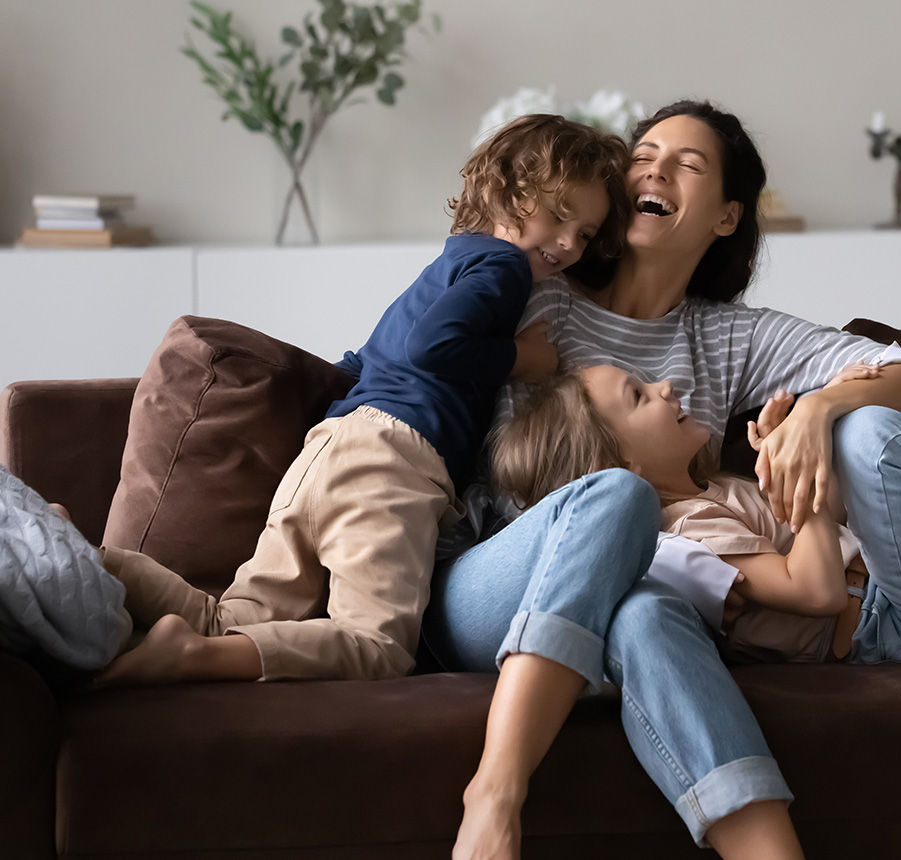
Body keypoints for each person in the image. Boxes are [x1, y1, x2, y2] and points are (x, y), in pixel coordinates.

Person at [425, 100, 901, 860]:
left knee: (646, 611)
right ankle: (494, 793)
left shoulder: (729, 337)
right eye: (644, 152)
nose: (653, 167)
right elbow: (421, 348)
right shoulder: (540, 287)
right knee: (619, 499)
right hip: (495, 583)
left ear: (726, 218)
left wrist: (820, 409)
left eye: (686, 163)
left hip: (630, 593)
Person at [93, 114, 632, 686]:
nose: (571, 243)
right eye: (559, 217)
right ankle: (190, 657)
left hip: (330, 447)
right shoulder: (502, 269)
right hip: (395, 459)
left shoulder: (447, 265)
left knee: (232, 617)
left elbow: (362, 361)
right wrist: (522, 359)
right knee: (377, 646)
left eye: (588, 233)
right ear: (505, 194)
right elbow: (433, 347)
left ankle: (86, 560)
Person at [492, 360, 901, 667]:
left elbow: (833, 525)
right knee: (867, 435)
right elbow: (815, 590)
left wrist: (804, 439)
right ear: (619, 466)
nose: (665, 388)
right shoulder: (680, 534)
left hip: (893, 597)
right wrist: (805, 482)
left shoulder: (714, 491)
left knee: (854, 427)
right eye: (639, 396)